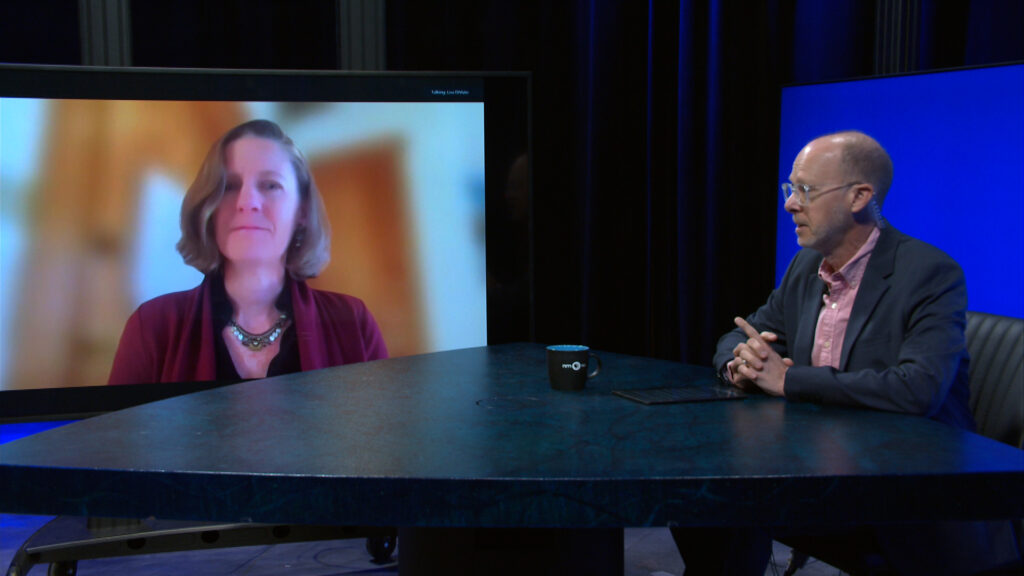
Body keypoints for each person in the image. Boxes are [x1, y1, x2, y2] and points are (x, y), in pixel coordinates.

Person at [672, 131, 1020, 575]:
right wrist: (739, 363)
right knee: (697, 496)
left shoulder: (929, 272)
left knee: (723, 498)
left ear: (860, 197)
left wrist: (788, 380)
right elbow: (746, 332)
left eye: (805, 190)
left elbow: (919, 388)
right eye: (790, 188)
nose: (790, 204)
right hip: (820, 467)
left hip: (909, 487)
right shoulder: (806, 266)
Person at [109, 119, 387, 385]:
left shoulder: (354, 323)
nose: (247, 202)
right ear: (209, 208)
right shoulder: (152, 328)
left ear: (301, 211)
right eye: (229, 186)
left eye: (271, 185)